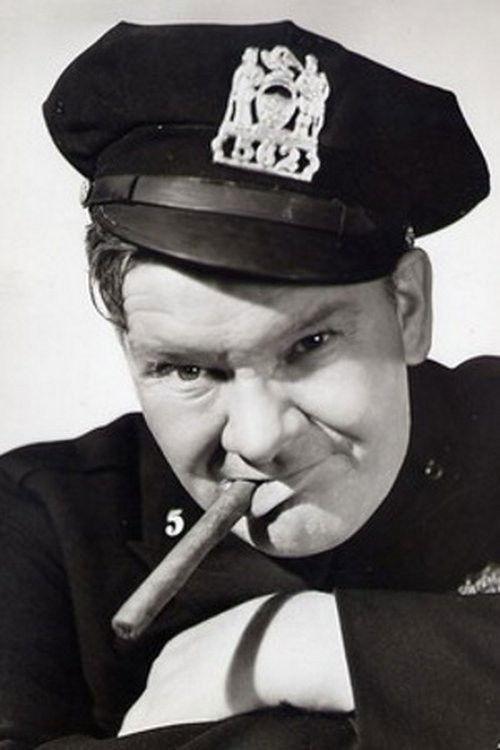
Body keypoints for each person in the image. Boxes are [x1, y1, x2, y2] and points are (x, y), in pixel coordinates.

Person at [0, 20, 499, 750]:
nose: (259, 439)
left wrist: (313, 644)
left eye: (309, 346)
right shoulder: (40, 523)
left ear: (408, 310)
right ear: (130, 349)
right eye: (188, 370)